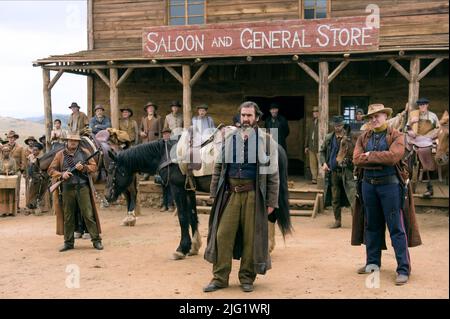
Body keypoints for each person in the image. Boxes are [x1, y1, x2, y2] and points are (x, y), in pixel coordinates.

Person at [203, 101, 279, 293]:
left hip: (253, 194)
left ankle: (247, 277)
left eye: (249, 115)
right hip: (229, 194)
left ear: (257, 118)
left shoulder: (267, 140)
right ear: (239, 117)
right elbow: (219, 167)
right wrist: (214, 193)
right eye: (243, 115)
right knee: (222, 235)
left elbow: (273, 173)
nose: (246, 119)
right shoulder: (229, 138)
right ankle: (219, 277)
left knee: (250, 239)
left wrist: (271, 201)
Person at [353, 103, 422, 285]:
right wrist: (375, 157)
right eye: (371, 117)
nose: (374, 119)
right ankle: (372, 263)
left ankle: (403, 269)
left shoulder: (397, 136)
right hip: (368, 186)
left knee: (396, 228)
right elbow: (356, 159)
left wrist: (369, 155)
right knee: (372, 226)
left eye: (378, 115)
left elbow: (393, 157)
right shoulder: (363, 138)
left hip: (390, 187)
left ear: (385, 116)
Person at [48, 134, 103, 252]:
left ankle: (96, 241)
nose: (73, 142)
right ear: (67, 141)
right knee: (68, 216)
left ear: (78, 142)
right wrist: (62, 175)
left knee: (88, 214)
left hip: (82, 187)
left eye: (75, 141)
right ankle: (68, 243)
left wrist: (83, 168)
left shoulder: (85, 153)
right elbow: (51, 170)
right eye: (71, 140)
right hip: (67, 188)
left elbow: (94, 167)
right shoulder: (60, 155)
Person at [320, 115, 356, 229]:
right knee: (335, 197)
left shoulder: (350, 137)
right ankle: (337, 220)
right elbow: (322, 152)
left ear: (343, 125)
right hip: (333, 171)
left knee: (353, 196)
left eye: (340, 125)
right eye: (336, 125)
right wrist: (323, 163)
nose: (338, 127)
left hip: (347, 171)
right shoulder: (329, 138)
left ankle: (356, 222)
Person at [406, 97, 440, 197]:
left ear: (427, 105)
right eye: (420, 105)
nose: (422, 106)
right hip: (415, 138)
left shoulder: (433, 116)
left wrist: (431, 134)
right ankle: (407, 183)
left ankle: (430, 187)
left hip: (428, 138)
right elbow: (406, 128)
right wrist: (411, 123)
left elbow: (438, 128)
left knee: (425, 151)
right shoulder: (413, 115)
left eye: (424, 104)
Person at [4, 130, 25, 212]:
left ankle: (16, 207)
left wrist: (21, 170)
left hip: (16, 171)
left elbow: (23, 161)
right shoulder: (4, 147)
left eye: (12, 138)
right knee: (6, 189)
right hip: (5, 171)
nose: (11, 139)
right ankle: (6, 208)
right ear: (8, 138)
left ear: (15, 138)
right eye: (9, 137)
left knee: (16, 189)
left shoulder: (20, 148)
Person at [159, 127, 175, 212]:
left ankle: (170, 204)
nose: (166, 135)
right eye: (164, 134)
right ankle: (164, 205)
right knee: (164, 187)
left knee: (171, 186)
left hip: (171, 167)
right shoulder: (160, 144)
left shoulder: (173, 143)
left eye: (167, 134)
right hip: (162, 168)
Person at [0, 145, 18, 217]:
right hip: (2, 179)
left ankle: (11, 211)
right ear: (2, 152)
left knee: (11, 195)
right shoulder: (0, 161)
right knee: (2, 195)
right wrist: (3, 172)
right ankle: (3, 212)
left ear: (9, 152)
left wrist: (11, 172)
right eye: (4, 151)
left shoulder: (13, 160)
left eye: (7, 151)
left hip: (10, 179)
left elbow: (15, 169)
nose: (6, 153)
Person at [305, 106, 320, 184]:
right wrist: (306, 146)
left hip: (319, 146)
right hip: (311, 145)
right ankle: (314, 177)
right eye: (314, 112)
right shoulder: (311, 122)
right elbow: (308, 134)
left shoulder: (321, 122)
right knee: (312, 163)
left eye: (317, 112)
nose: (315, 113)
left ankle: (320, 177)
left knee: (320, 162)